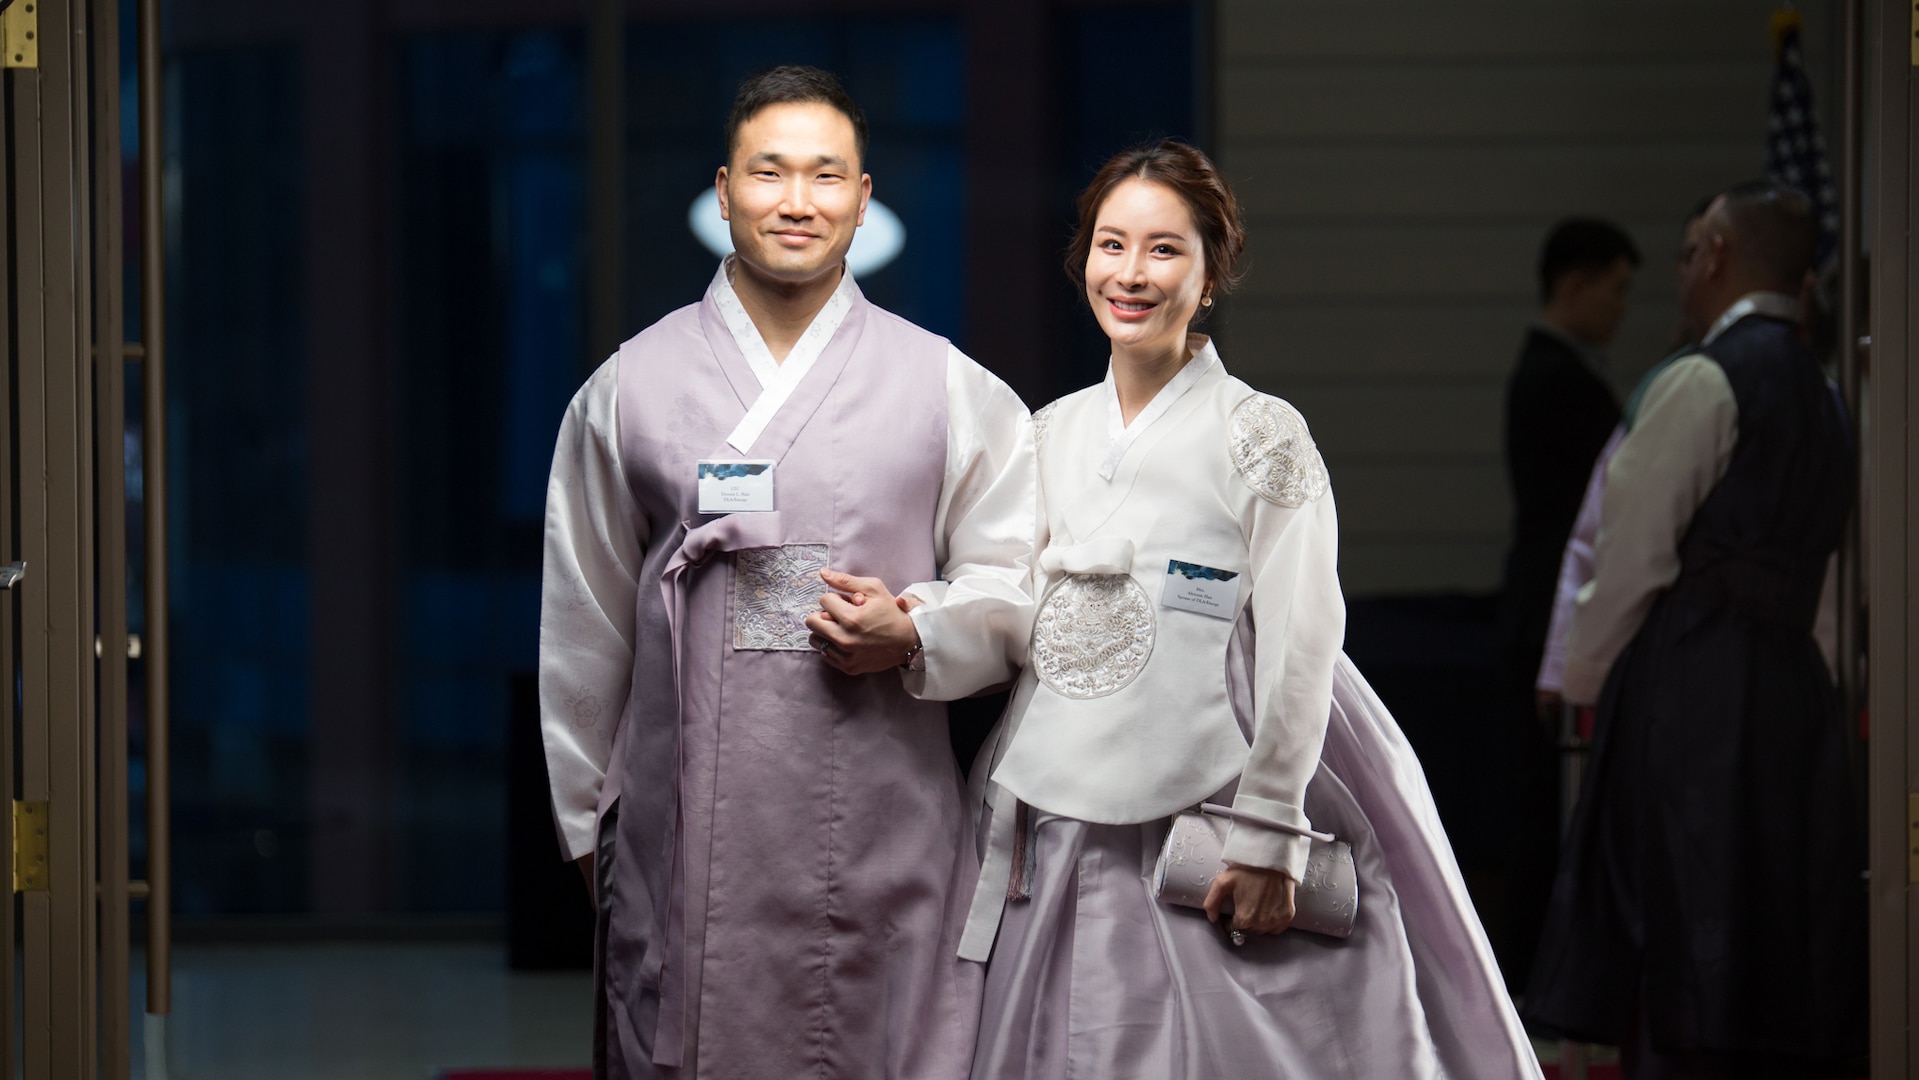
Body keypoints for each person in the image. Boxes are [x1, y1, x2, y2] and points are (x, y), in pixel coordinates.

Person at [958, 140, 1540, 1080]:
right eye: (1111, 245)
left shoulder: (1262, 430)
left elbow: (1307, 637)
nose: (1130, 274)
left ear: (1210, 272)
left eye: (1163, 249)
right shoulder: (1048, 431)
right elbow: (1008, 610)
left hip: (1221, 780)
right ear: (1083, 261)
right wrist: (914, 630)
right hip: (1062, 792)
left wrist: (1269, 829)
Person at [537, 66, 1035, 1079]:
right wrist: (591, 824)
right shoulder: (629, 386)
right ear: (723, 192)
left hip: (883, 826)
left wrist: (918, 629)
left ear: (863, 197)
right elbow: (583, 618)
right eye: (769, 173)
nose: (796, 201)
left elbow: (1017, 581)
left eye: (825, 176)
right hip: (683, 836)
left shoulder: (951, 388)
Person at [1524, 181, 1866, 1078]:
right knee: (1771, 920)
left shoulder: (1701, 379)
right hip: (1795, 691)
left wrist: (1586, 678)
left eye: (1685, 256)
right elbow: (1828, 579)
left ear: (1714, 252)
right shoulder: (1830, 403)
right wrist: (1817, 685)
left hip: (1691, 692)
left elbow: (1630, 555)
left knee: (1678, 920)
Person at [1493, 217, 1639, 991]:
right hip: (1549, 612)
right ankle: (1530, 977)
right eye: (1614, 289)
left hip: (1535, 603)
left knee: (1543, 803)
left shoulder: (1553, 372)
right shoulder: (1561, 381)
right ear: (1574, 284)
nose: (1621, 308)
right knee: (1544, 809)